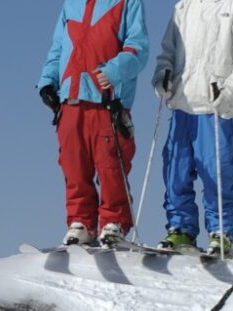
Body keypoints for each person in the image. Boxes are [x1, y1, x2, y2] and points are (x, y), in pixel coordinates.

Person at [39, 0, 151, 247]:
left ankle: (114, 221)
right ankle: (81, 222)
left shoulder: (127, 3)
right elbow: (58, 47)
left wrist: (114, 71)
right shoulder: (71, 4)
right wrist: (47, 82)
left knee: (111, 165)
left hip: (107, 100)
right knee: (74, 164)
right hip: (71, 98)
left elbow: (138, 47)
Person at [153, 0, 233, 253]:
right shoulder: (184, 7)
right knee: (176, 170)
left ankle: (221, 231)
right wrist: (163, 76)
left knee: (217, 171)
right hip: (182, 102)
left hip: (215, 105)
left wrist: (229, 91)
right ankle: (181, 228)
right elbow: (168, 51)